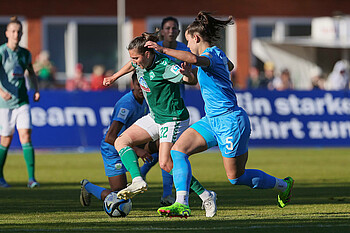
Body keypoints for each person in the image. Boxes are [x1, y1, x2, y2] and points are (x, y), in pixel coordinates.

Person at [145, 11, 294, 217]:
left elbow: (196, 58)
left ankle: (282, 186)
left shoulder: (210, 56)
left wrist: (162, 49)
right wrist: (190, 73)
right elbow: (226, 66)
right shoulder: (216, 55)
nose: (187, 45)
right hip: (211, 120)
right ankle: (182, 203)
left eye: (188, 41)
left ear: (196, 38)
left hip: (230, 121)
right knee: (177, 151)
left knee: (235, 177)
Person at [103, 32, 218, 217]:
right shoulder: (139, 62)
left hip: (173, 118)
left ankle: (206, 196)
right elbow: (131, 65)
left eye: (136, 57)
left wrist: (188, 73)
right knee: (120, 142)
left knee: (166, 163)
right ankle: (138, 180)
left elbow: (190, 80)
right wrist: (114, 77)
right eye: (132, 58)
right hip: (156, 116)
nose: (134, 61)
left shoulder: (165, 66)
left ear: (148, 54)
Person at [80, 72, 175, 207]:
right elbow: (110, 137)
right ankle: (88, 187)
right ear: (133, 85)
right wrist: (137, 151)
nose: (142, 88)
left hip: (133, 143)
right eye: (138, 85)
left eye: (144, 85)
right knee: (119, 197)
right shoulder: (126, 105)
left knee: (165, 144)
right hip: (113, 149)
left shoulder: (146, 99)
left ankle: (169, 193)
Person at [0, 16, 40, 188]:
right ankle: (0, 176)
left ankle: (31, 178)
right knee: (6, 140)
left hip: (22, 101)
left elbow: (30, 72)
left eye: (19, 31)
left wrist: (36, 89)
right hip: (5, 104)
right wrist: (1, 92)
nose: (16, 34)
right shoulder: (2, 52)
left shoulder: (25, 53)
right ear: (7, 33)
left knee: (26, 136)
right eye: (13, 31)